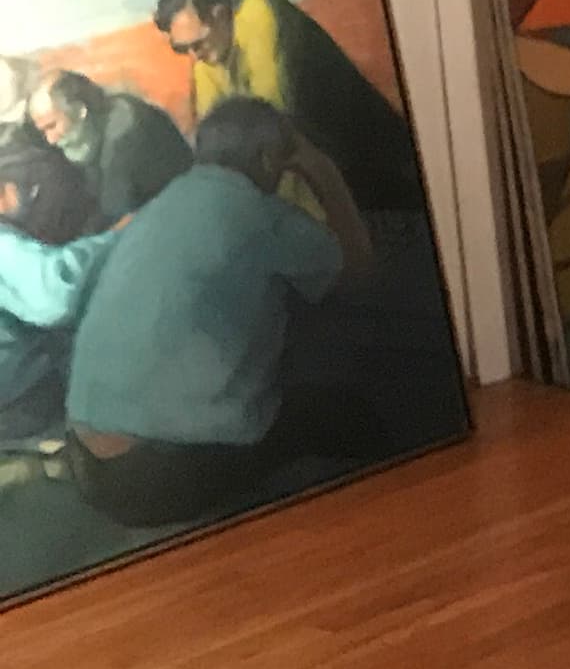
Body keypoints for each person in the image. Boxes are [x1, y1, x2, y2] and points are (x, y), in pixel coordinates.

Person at [58, 97, 370, 527]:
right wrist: (321, 169)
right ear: (267, 158)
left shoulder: (157, 209)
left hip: (84, 458)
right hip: (156, 475)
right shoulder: (263, 217)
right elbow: (358, 268)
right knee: (349, 416)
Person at [154, 0, 426, 216]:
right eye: (182, 49)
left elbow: (272, 121)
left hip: (376, 163)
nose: (194, 56)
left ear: (221, 14)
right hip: (329, 182)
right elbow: (214, 150)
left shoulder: (257, 12)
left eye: (198, 43)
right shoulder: (207, 63)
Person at [0, 133, 115, 440]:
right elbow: (55, 294)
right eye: (28, 189)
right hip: (17, 404)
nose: (34, 196)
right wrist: (117, 236)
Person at [29, 66, 194, 224]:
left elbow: (119, 219)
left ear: (80, 110)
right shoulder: (95, 126)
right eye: (43, 131)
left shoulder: (123, 133)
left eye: (52, 126)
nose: (50, 139)